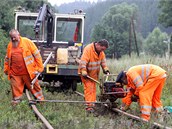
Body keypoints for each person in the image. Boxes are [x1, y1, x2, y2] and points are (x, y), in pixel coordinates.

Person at [4, 29, 44, 106]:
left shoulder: (27, 42)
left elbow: (37, 55)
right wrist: (6, 69)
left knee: (35, 88)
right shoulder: (10, 45)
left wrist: (40, 68)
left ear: (19, 35)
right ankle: (16, 104)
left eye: (14, 37)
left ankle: (40, 101)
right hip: (15, 73)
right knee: (16, 90)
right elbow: (7, 58)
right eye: (11, 38)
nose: (13, 39)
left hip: (29, 72)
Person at [78, 39, 110, 112]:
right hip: (86, 74)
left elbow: (103, 62)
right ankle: (89, 107)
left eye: (103, 50)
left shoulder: (101, 52)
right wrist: (83, 70)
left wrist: (105, 69)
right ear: (98, 45)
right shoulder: (88, 49)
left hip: (94, 75)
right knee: (89, 89)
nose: (102, 51)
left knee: (93, 90)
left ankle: (92, 104)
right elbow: (83, 61)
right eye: (102, 49)